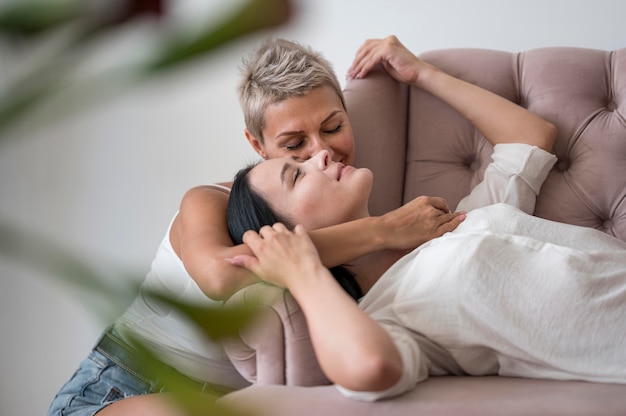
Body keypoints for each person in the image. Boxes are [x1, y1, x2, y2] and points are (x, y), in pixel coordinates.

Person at [47, 37, 463, 416]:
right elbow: (220, 276)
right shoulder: (209, 200)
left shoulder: (341, 206)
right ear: (257, 145)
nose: (323, 152)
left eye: (333, 127)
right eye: (294, 144)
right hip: (119, 384)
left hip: (224, 399)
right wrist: (384, 230)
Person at [225, 38, 626, 401]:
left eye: (333, 128)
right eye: (296, 164)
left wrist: (422, 73)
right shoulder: (389, 313)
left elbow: (530, 139)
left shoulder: (441, 223)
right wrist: (301, 272)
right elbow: (371, 367)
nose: (322, 154)